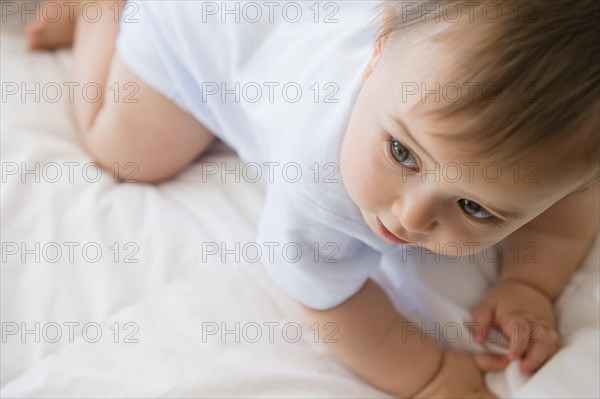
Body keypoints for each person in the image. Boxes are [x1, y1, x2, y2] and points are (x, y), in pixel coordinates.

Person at [28, 1, 599, 397]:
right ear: (377, 52)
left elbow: (570, 209)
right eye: (402, 153)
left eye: (474, 208)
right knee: (124, 152)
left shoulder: (554, 160)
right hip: (196, 26)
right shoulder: (320, 178)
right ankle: (100, 13)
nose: (409, 216)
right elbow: (325, 299)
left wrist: (529, 284)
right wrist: (429, 377)